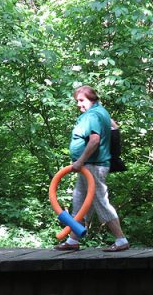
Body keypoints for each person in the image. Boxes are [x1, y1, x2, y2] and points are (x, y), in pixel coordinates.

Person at [55, 85, 129, 252]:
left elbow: (94, 140)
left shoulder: (92, 115)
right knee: (80, 201)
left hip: (92, 166)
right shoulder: (101, 112)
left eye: (82, 100)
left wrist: (80, 161)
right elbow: (114, 126)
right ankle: (73, 240)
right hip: (90, 166)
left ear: (91, 99)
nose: (78, 104)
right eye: (77, 101)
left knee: (101, 202)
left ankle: (121, 239)